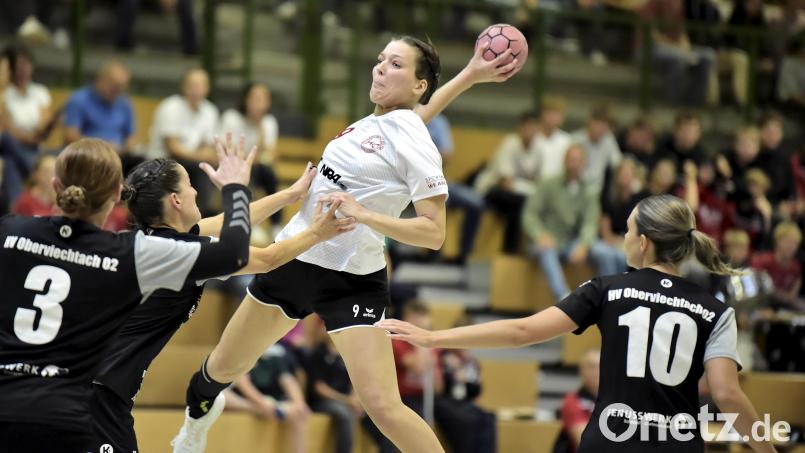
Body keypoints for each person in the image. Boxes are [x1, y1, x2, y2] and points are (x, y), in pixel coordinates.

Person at [171, 36, 520, 453]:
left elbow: (434, 232)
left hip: (354, 280)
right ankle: (197, 420)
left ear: (417, 84)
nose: (380, 69)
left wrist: (364, 214)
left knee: (383, 406)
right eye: (379, 60)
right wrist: (469, 75)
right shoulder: (385, 122)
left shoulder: (413, 139)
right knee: (221, 369)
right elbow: (416, 118)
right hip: (296, 257)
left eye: (395, 64)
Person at [379, 194, 779, 453]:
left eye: (627, 230)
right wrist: (767, 448)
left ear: (643, 243)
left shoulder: (608, 289)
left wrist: (434, 337)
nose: (623, 238)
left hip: (609, 442)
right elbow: (726, 394)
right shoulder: (715, 310)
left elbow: (523, 331)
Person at [90, 144, 354, 453]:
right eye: (190, 186)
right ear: (175, 200)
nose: (196, 193)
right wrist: (317, 234)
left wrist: (291, 194)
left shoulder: (145, 242)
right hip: (98, 396)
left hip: (88, 386)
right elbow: (267, 259)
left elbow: (228, 223)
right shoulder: (185, 255)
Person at [0, 137, 255, 452]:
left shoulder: (10, 231)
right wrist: (235, 188)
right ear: (117, 195)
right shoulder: (125, 254)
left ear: (56, 184)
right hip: (65, 417)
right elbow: (234, 253)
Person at [522, 144, 601, 300]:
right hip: (544, 241)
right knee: (547, 249)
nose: (575, 164)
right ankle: (564, 298)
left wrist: (584, 244)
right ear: (564, 162)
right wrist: (539, 234)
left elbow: (590, 222)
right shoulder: (548, 184)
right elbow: (530, 214)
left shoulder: (589, 190)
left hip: (571, 243)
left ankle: (603, 298)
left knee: (603, 252)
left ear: (584, 163)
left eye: (578, 160)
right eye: (571, 160)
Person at [148, 69, 219, 215]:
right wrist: (202, 156)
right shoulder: (170, 107)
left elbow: (209, 148)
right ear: (184, 86)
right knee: (202, 169)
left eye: (201, 85)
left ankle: (203, 216)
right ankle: (199, 216)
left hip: (191, 162)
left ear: (207, 88)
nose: (196, 89)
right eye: (193, 85)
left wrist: (204, 156)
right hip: (163, 161)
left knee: (210, 168)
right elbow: (173, 148)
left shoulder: (210, 111)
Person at [474, 111, 541, 253]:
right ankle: (510, 251)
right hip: (491, 190)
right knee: (521, 202)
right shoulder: (510, 143)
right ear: (520, 127)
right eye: (527, 127)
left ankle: (515, 250)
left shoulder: (538, 149)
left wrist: (525, 183)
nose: (531, 131)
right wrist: (527, 184)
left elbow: (538, 180)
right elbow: (506, 183)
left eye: (534, 128)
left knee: (520, 206)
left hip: (517, 196)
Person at [224, 344, 311, 453]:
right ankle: (260, 409)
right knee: (221, 397)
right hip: (244, 401)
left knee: (300, 414)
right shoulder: (242, 356)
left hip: (271, 402)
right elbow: (244, 384)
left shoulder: (274, 358)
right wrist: (262, 405)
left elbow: (289, 381)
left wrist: (299, 403)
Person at [220, 82, 282, 232]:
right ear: (245, 99)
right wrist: (257, 158)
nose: (260, 104)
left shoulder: (269, 122)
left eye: (264, 99)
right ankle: (252, 223)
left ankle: (276, 225)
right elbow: (231, 153)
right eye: (256, 98)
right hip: (234, 168)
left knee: (270, 174)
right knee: (250, 171)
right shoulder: (232, 117)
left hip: (257, 166)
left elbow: (271, 154)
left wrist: (260, 127)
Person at [63, 60, 143, 176]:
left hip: (119, 157)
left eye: (122, 87)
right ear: (101, 80)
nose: (118, 91)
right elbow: (70, 135)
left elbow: (132, 136)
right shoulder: (79, 99)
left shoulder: (125, 103)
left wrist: (122, 149)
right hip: (87, 157)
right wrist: (101, 148)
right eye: (115, 86)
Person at [426, 113, 483, 263]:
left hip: (436, 179)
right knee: (441, 200)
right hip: (406, 181)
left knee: (476, 203)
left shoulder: (438, 121)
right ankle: (434, 253)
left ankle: (463, 256)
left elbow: (447, 154)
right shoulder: (401, 117)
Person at [750, 221, 803, 311]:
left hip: (784, 309)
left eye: (795, 243)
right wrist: (783, 296)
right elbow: (758, 289)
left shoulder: (795, 267)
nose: (791, 246)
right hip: (760, 306)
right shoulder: (762, 261)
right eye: (788, 241)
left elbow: (792, 296)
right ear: (777, 241)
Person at [557, 349, 600, 453]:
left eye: (601, 366)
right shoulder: (572, 401)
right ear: (581, 370)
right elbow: (586, 442)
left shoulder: (616, 401)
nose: (597, 371)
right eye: (592, 367)